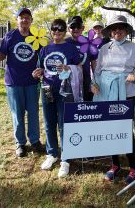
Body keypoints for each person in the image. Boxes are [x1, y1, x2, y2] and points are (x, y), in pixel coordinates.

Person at [91, 15, 135, 184]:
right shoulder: (105, 48)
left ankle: (134, 167)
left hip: (126, 94)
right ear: (111, 32)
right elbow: (97, 71)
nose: (117, 31)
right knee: (110, 129)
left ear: (126, 31)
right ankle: (115, 165)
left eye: (121, 28)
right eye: (114, 28)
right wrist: (93, 84)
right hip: (105, 93)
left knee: (125, 130)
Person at [32, 18, 80, 178]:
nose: (57, 32)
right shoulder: (44, 49)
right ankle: (52, 154)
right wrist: (36, 73)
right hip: (47, 89)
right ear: (51, 31)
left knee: (64, 125)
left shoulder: (71, 48)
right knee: (48, 123)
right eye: (54, 29)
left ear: (65, 31)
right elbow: (39, 68)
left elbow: (79, 67)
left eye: (60, 29)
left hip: (64, 90)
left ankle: (66, 159)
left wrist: (68, 67)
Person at [0, 8, 43, 158]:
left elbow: (44, 57)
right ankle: (20, 143)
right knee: (17, 114)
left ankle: (35, 141)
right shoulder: (9, 36)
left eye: (27, 17)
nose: (25, 20)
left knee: (33, 113)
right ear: (17, 20)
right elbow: (1, 56)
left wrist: (41, 69)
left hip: (32, 82)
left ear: (31, 21)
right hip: (13, 82)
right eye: (22, 17)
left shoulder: (37, 37)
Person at [66, 16, 97, 101]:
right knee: (71, 110)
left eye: (78, 26)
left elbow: (94, 63)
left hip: (86, 81)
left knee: (86, 109)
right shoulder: (64, 43)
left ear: (82, 28)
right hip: (68, 82)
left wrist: (96, 80)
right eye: (73, 26)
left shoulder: (90, 43)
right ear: (69, 29)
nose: (75, 29)